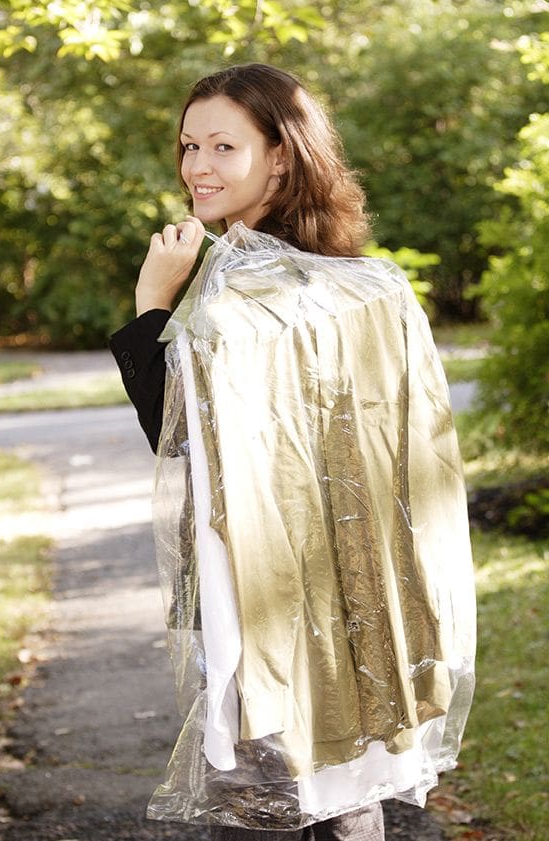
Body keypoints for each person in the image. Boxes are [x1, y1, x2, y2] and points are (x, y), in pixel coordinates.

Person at [110, 63, 475, 841]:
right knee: (343, 793)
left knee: (264, 810)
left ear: (280, 155)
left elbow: (177, 438)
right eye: (189, 146)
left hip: (260, 601)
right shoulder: (367, 284)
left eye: (223, 146)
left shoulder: (242, 296)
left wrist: (151, 302)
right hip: (353, 601)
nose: (197, 166)